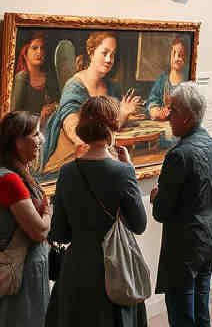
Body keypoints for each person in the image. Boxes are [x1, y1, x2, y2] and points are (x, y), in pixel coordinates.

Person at [45, 96, 149, 326]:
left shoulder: (67, 172)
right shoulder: (123, 172)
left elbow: (60, 233)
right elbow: (139, 224)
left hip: (76, 269)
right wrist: (129, 169)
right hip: (113, 269)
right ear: (112, 126)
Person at [150, 83, 212, 327]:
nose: (168, 116)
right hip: (209, 237)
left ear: (188, 116)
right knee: (201, 312)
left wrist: (157, 197)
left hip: (184, 246)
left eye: (173, 110)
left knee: (182, 317)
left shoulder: (178, 155)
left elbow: (161, 211)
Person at [42, 32, 143, 174]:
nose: (109, 59)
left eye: (112, 55)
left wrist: (126, 112)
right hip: (73, 154)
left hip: (103, 152)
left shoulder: (112, 87)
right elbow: (72, 125)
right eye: (104, 53)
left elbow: (110, 126)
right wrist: (122, 114)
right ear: (91, 53)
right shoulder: (75, 86)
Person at [0, 111, 51, 324]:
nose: (42, 139)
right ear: (18, 143)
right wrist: (48, 213)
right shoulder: (10, 180)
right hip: (22, 273)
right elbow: (39, 231)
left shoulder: (16, 174)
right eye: (36, 134)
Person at [11, 32, 61, 120]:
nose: (39, 52)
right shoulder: (21, 77)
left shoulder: (49, 77)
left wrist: (53, 107)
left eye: (42, 48)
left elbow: (59, 103)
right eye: (34, 48)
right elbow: (14, 114)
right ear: (25, 53)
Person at [147, 37, 189, 121]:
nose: (176, 58)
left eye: (181, 55)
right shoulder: (163, 80)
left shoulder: (188, 81)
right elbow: (152, 100)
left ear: (186, 58)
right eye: (174, 54)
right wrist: (156, 111)